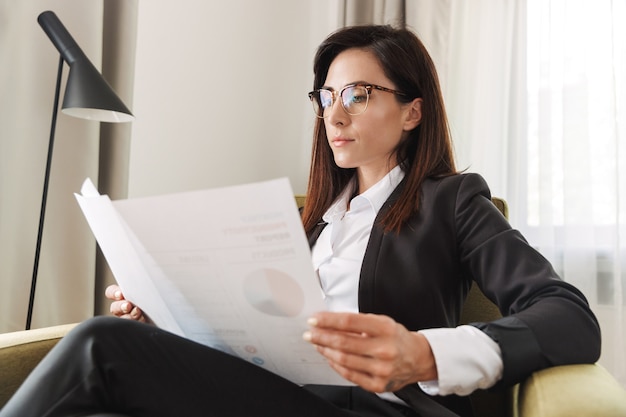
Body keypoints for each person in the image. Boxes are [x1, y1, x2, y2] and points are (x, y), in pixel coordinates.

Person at [0, 24, 600, 417]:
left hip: (376, 410)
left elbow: (568, 316)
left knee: (99, 344)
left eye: (359, 94)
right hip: (284, 397)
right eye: (325, 96)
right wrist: (165, 317)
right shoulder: (311, 222)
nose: (333, 114)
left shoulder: (453, 200)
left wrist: (423, 353)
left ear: (412, 111)